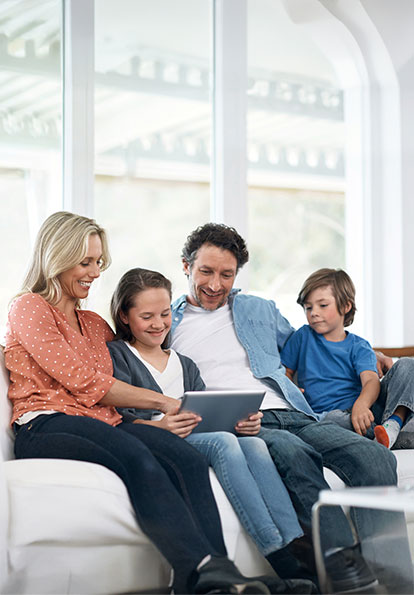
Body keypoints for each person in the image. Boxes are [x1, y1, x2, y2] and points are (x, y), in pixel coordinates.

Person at [4, 211, 285, 595]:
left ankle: (220, 579)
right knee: (136, 457)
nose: (94, 272)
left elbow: (118, 391)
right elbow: (86, 382)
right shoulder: (29, 307)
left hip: (102, 425)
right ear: (57, 256)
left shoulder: (95, 325)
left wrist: (164, 421)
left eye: (98, 262)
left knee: (185, 457)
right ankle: (201, 567)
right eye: (85, 262)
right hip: (46, 423)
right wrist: (165, 402)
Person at [169, 222, 414, 594]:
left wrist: (371, 353)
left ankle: (394, 580)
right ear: (186, 265)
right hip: (247, 422)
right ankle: (345, 574)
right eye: (206, 271)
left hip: (296, 411)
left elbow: (308, 341)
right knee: (295, 456)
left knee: (375, 457)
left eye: (227, 274)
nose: (216, 284)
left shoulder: (257, 308)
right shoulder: (165, 323)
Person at [107, 267, 317, 589]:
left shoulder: (185, 363)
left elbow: (207, 413)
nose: (159, 324)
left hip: (200, 433)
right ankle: (278, 553)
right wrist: (161, 425)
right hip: (163, 439)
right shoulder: (119, 355)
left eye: (165, 314)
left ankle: (294, 543)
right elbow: (119, 415)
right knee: (223, 443)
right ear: (124, 316)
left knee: (256, 443)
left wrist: (242, 422)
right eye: (147, 316)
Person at [280, 268, 414, 449]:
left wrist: (361, 405)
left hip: (367, 410)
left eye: (323, 305)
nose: (313, 312)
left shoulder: (359, 346)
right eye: (308, 307)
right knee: (333, 420)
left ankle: (393, 424)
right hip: (333, 417)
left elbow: (371, 381)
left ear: (345, 306)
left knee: (407, 364)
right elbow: (284, 372)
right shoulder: (302, 337)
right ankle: (391, 436)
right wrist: (291, 389)